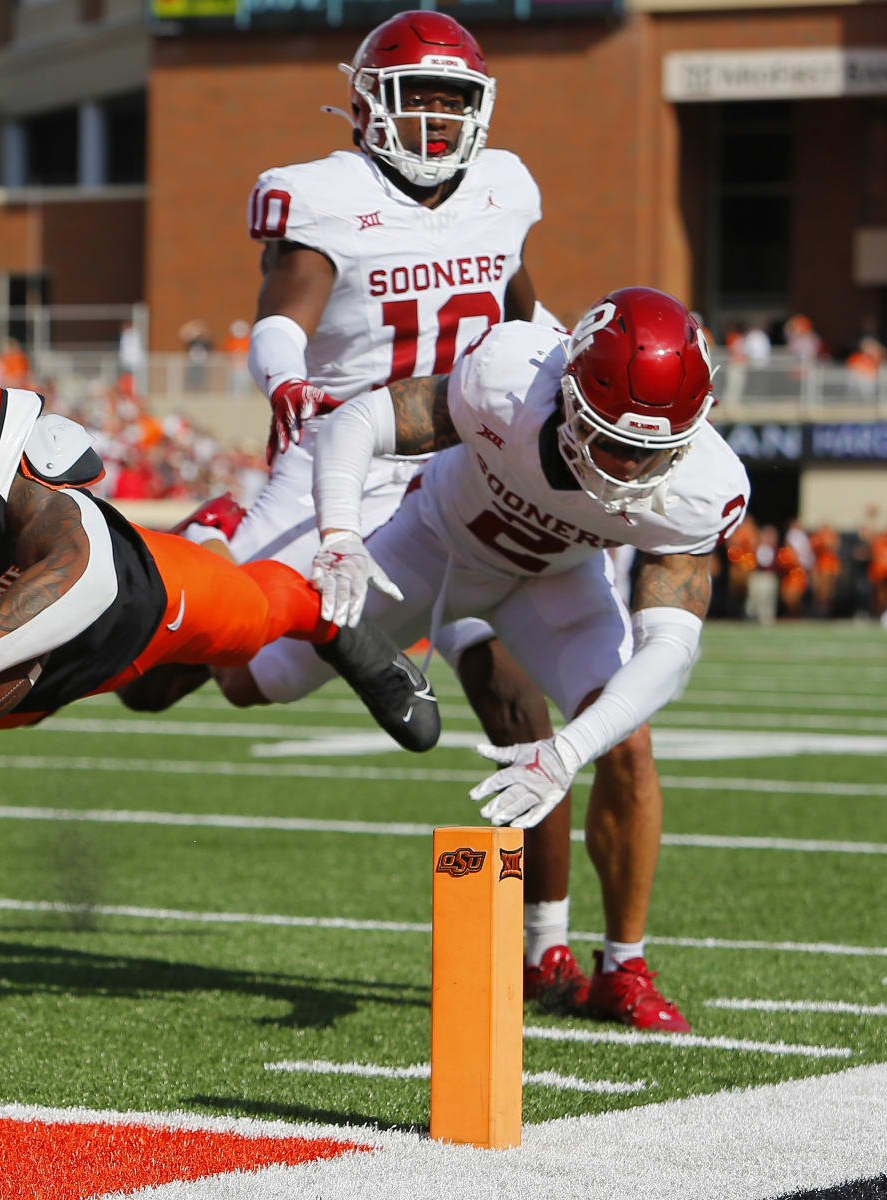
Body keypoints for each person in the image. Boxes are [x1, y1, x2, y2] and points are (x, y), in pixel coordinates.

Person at [120, 10, 595, 1009]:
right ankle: (197, 550)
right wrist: (286, 382)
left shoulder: (505, 190)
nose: (432, 114)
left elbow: (519, 314)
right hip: (346, 455)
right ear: (367, 103)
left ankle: (546, 948)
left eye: (450, 96)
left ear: (480, 107)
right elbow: (281, 319)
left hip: (468, 463)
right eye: (414, 93)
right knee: (243, 678)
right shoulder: (325, 199)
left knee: (517, 704)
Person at [0, 311, 439, 901]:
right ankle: (207, 536)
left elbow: (86, 573)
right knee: (149, 698)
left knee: (249, 627)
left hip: (126, 606)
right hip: (22, 692)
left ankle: (321, 615)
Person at [223, 287, 750, 1031]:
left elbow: (671, 650)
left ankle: (621, 965)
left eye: (653, 450)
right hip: (433, 546)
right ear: (567, 398)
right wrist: (339, 534)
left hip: (558, 581)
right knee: (254, 681)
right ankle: (220, 533)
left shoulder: (703, 490)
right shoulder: (508, 379)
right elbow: (361, 422)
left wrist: (568, 750)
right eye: (613, 442)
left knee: (625, 742)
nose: (631, 469)